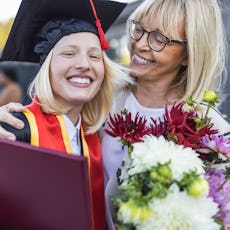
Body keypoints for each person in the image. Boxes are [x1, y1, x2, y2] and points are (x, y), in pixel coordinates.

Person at [0, 0, 131, 229]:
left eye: (94, 56)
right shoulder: (15, 130)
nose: (84, 64)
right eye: (69, 53)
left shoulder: (96, 138)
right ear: (47, 67)